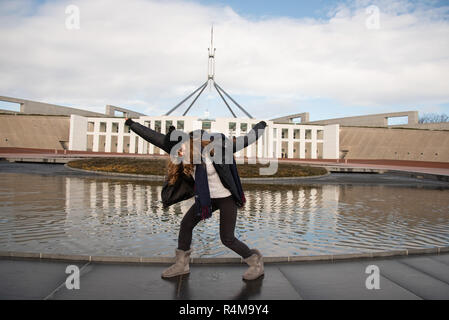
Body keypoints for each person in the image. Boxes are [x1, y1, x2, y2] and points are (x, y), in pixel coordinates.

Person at [125, 117, 267, 281]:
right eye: (176, 152)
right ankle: (181, 265)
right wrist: (132, 124)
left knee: (227, 238)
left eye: (181, 150)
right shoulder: (180, 151)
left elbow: (247, 139)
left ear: (191, 144)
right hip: (206, 198)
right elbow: (153, 136)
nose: (178, 155)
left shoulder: (219, 149)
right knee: (186, 224)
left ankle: (255, 263)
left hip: (226, 197)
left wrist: (261, 126)